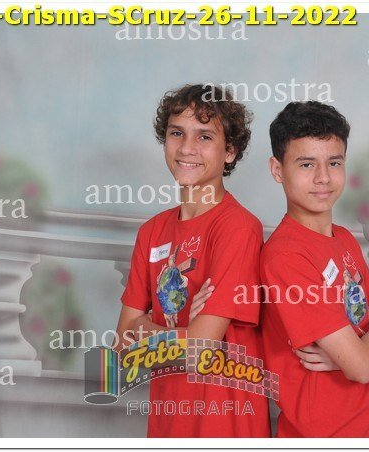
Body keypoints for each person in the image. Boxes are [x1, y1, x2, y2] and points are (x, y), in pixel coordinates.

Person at [114, 84, 270, 438]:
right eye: (177, 133)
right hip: (168, 426)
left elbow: (196, 354)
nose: (187, 147)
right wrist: (183, 333)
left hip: (225, 426)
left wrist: (145, 326)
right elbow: (122, 350)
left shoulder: (238, 228)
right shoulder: (152, 232)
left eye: (204, 137)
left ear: (229, 151)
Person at [260, 101, 369, 437]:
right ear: (277, 170)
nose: (323, 177)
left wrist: (360, 350)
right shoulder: (286, 256)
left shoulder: (345, 240)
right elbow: (364, 366)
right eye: (306, 164)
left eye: (334, 163)